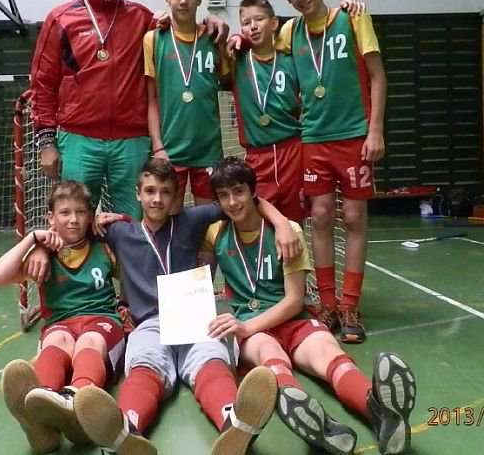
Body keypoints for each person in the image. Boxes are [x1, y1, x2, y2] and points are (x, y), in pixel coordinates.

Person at [39, 158, 302, 455]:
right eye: (150, 191)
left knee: (211, 360)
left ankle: (233, 423)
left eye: (165, 192)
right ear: (138, 194)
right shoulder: (119, 232)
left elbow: (244, 202)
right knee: (144, 363)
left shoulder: (192, 220)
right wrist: (39, 248)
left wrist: (281, 223)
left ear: (177, 195)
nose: (157, 199)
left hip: (195, 318)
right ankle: (127, 429)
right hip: (150, 323)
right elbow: (69, 229)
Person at [205, 157, 416, 455]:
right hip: (254, 329)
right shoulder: (214, 233)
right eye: (223, 195)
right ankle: (323, 426)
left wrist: (280, 222)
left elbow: (294, 301)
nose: (232, 202)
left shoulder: (287, 232)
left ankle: (380, 413)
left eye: (239, 191)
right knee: (270, 357)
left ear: (254, 192)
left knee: (329, 355)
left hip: (287, 319)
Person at [30, 0, 228, 219]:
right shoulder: (60, 19)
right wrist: (47, 143)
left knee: (135, 227)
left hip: (132, 143)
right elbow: (43, 85)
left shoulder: (143, 19)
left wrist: (211, 21)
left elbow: (183, 30)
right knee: (75, 224)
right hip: (79, 141)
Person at [275, 0, 388, 343]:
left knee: (354, 217)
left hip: (354, 136)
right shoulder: (289, 32)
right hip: (313, 139)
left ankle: (350, 304)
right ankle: (328, 304)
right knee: (320, 217)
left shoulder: (353, 19)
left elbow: (377, 76)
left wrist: (375, 131)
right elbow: (261, 50)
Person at [0, 180, 125, 453]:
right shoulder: (42, 258)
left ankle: (79, 402)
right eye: (65, 213)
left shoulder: (104, 248)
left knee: (89, 340)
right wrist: (32, 239)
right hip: (60, 323)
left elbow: (138, 272)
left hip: (102, 320)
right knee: (57, 340)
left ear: (91, 216)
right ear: (50, 217)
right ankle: (42, 405)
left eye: (81, 212)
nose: (73, 219)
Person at [145, 0, 227, 213]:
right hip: (170, 152)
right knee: (169, 224)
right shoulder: (153, 39)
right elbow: (151, 99)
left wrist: (223, 33)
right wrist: (158, 147)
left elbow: (228, 79)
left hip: (208, 151)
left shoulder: (213, 37)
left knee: (209, 224)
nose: (183, 1)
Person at [225, 0, 304, 222]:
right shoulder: (236, 60)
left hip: (292, 152)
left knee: (295, 222)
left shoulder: (291, 60)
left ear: (274, 22)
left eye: (259, 19)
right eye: (246, 23)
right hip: (258, 156)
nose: (253, 26)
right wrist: (235, 39)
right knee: (260, 221)